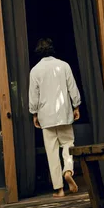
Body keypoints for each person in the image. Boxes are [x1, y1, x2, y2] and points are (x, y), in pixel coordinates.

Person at [29, 38, 81, 198]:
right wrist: (76, 105)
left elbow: (33, 96)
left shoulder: (35, 71)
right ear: (52, 49)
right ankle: (68, 170)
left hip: (46, 116)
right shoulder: (64, 66)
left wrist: (34, 113)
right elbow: (72, 87)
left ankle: (59, 189)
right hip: (64, 114)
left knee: (51, 152)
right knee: (68, 144)